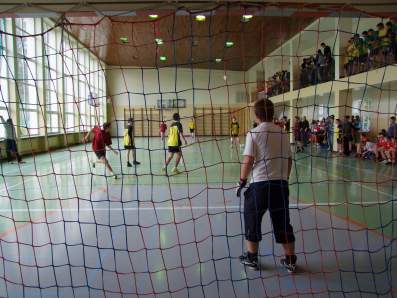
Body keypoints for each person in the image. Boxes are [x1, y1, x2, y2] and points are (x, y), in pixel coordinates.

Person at [236, 98, 296, 272]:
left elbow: (248, 160)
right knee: (283, 223)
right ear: (272, 114)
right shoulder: (283, 133)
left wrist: (241, 180)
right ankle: (290, 260)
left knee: (252, 218)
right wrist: (284, 178)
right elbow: (289, 160)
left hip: (260, 186)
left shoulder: (253, 133)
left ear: (256, 114)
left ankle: (252, 258)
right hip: (280, 186)